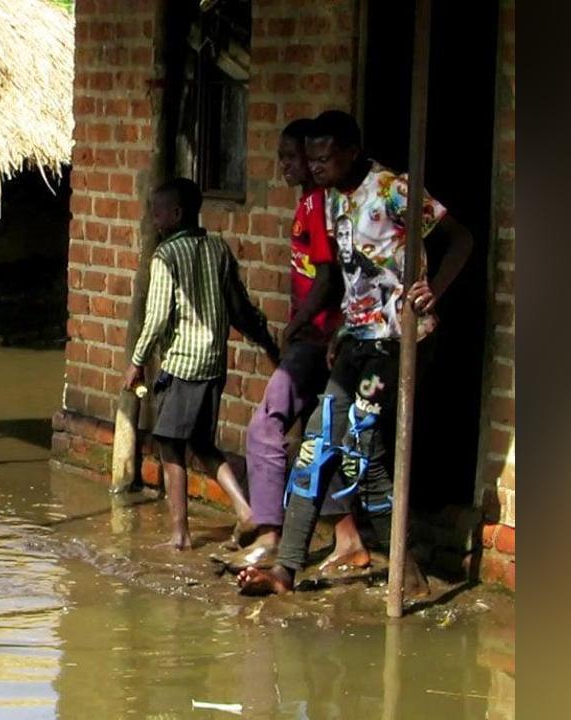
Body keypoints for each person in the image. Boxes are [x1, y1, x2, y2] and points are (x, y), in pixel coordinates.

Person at [238, 110, 474, 596]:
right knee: (317, 445)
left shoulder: (394, 190)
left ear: (350, 151)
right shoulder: (327, 201)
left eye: (325, 158)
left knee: (361, 441)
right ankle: (286, 569)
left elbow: (460, 240)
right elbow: (343, 278)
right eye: (313, 159)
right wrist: (329, 327)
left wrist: (435, 290)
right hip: (355, 342)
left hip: (400, 341)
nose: (317, 167)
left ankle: (404, 569)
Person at [231, 119, 368, 572]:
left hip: (317, 335)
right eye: (287, 158)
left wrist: (299, 325)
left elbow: (329, 279)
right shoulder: (317, 203)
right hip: (323, 333)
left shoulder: (319, 204)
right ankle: (348, 540)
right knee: (317, 435)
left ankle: (269, 532)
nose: (289, 167)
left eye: (296, 159)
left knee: (266, 425)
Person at [123, 178, 281, 550]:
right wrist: (266, 341)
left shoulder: (165, 256)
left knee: (169, 445)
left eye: (158, 211)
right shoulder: (218, 248)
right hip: (213, 364)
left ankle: (179, 534)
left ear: (176, 214)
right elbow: (238, 306)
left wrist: (137, 360)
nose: (154, 218)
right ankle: (245, 510)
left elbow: (158, 317)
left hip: (182, 364)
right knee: (202, 443)